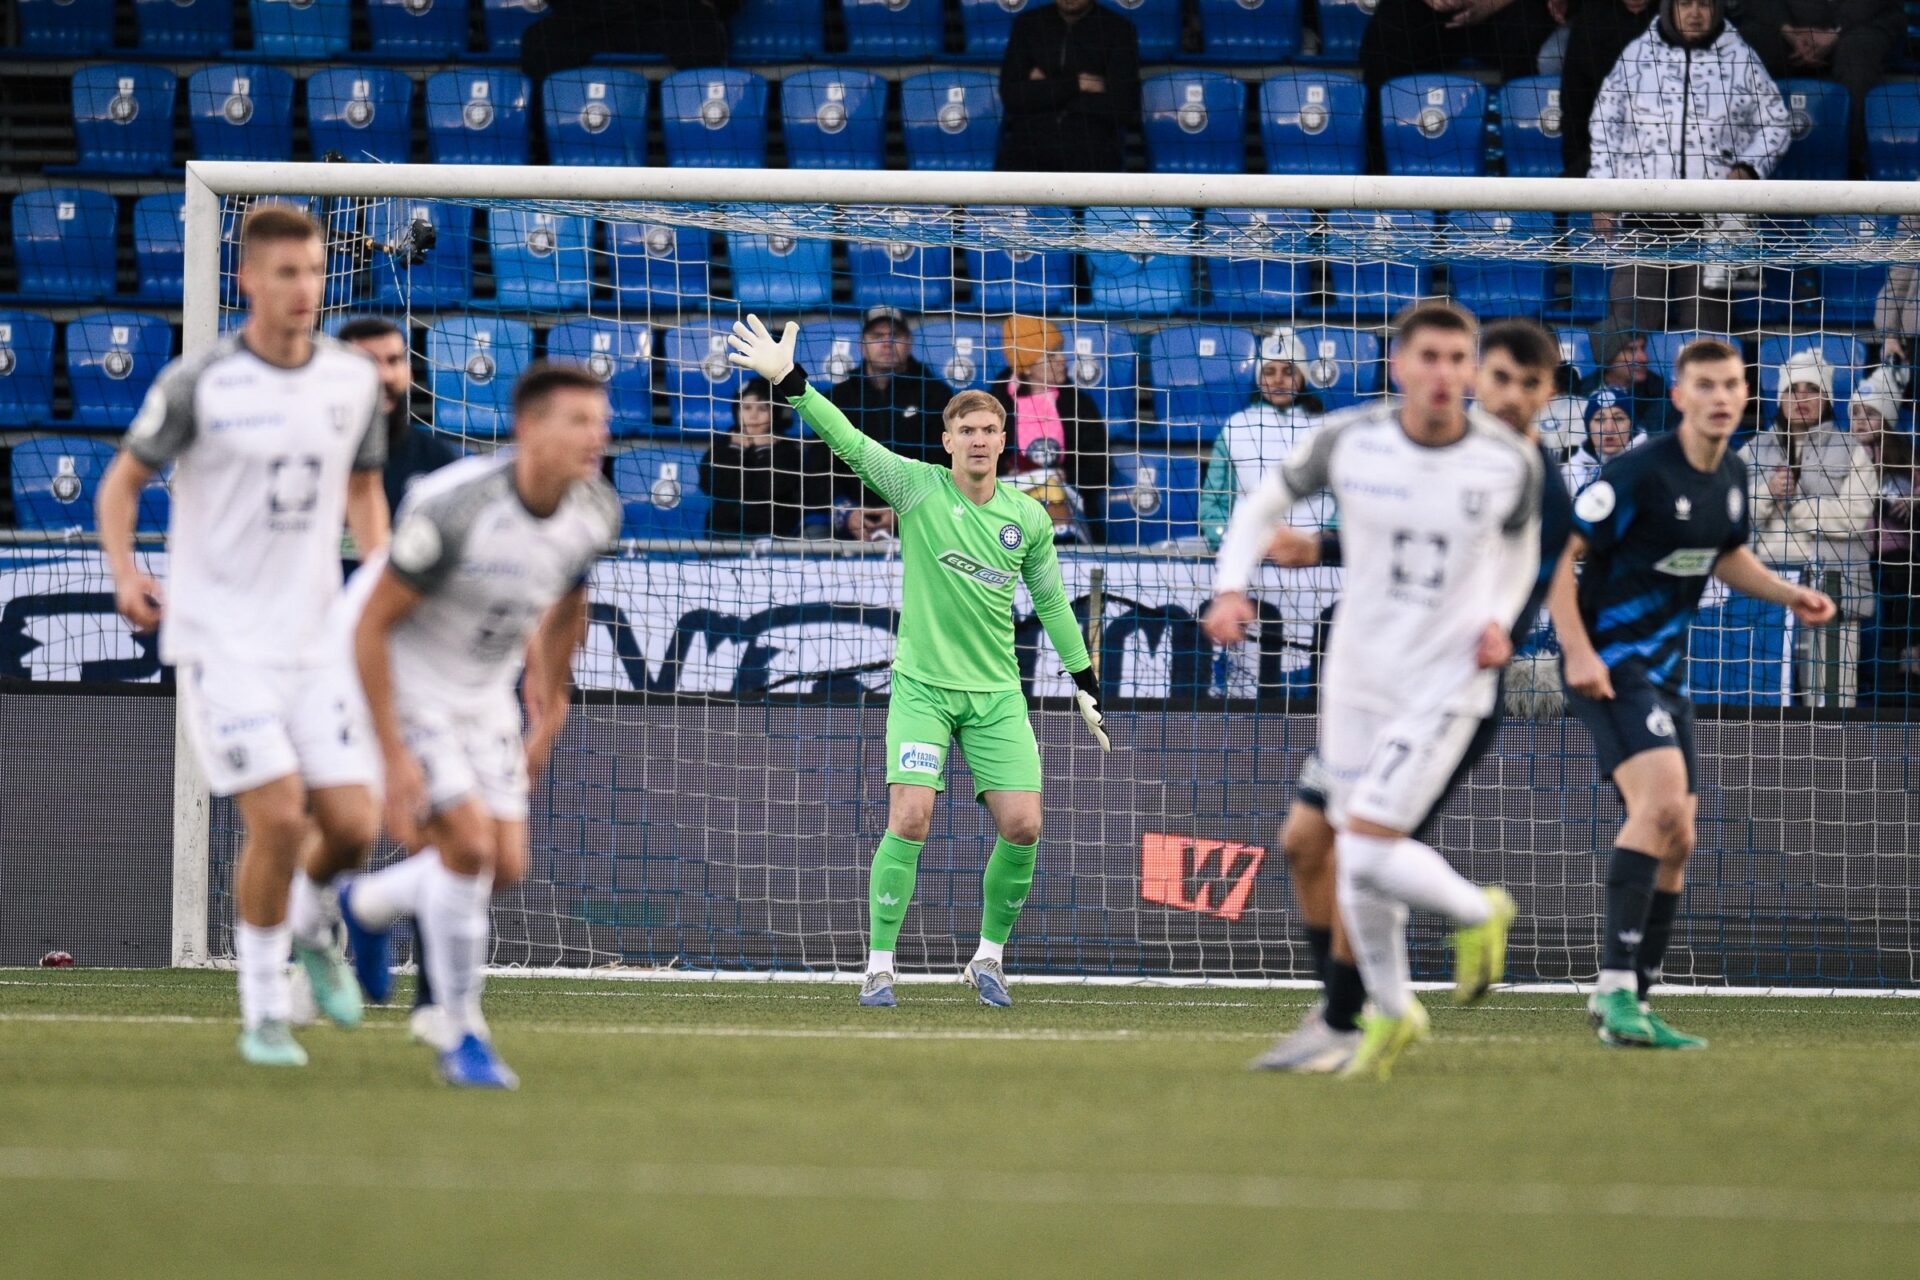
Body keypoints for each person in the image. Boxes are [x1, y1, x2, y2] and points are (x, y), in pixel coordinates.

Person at [725, 314, 1111, 1010]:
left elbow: (1053, 602)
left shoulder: (1027, 518)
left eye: (989, 429)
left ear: (1003, 440)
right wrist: (790, 382)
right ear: (947, 440)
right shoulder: (916, 487)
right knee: (910, 817)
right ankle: (879, 967)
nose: (979, 439)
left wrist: (1084, 679)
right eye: (967, 430)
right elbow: (848, 441)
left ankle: (987, 959)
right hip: (924, 690)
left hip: (996, 694)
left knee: (1024, 826)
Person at [1205, 304, 1542, 1081]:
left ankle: (1465, 921)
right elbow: (1261, 505)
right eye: (1429, 356)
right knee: (1311, 843)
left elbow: (1523, 550)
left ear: (1470, 370)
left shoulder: (1508, 459)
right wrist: (1230, 587)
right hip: (1357, 680)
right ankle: (1375, 1010)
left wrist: (1500, 619)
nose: (1443, 373)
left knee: (1362, 845)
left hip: (1445, 686)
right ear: (1399, 365)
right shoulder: (1349, 438)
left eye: (1457, 359)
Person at [94, 204, 389, 1067]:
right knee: (279, 816)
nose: (304, 289)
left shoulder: (350, 382)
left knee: (353, 824)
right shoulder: (202, 382)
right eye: (286, 273)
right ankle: (262, 1012)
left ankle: (310, 925)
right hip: (221, 640)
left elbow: (364, 491)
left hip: (314, 639)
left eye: (314, 272)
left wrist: (380, 580)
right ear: (247, 280)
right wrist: (125, 573)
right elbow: (121, 483)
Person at [1548, 338, 1835, 1049]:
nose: (1720, 397)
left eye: (1731, 385)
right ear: (1678, 396)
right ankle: (1614, 990)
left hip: (1666, 673)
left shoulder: (1733, 474)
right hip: (1610, 664)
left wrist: (1789, 593)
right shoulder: (1637, 472)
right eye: (1704, 385)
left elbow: (1724, 554)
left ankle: (1636, 1001)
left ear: (1746, 395)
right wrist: (1577, 651)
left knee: (1680, 836)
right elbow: (1560, 554)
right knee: (1661, 808)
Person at [341, 363, 621, 1088]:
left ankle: (367, 904)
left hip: (485, 690)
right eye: (579, 421)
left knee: (505, 865)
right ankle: (461, 1031)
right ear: (528, 428)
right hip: (406, 680)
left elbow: (568, 603)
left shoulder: (596, 509)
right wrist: (393, 756)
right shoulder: (455, 508)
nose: (597, 435)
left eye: (601, 420)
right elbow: (370, 627)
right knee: (466, 848)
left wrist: (549, 701)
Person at [1588, 0, 1790, 335]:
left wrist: (1749, 167)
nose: (1695, 13)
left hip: (1712, 225)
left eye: (1704, 4)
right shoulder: (1636, 55)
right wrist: (1602, 192)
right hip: (1642, 218)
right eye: (1685, 3)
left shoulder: (1741, 58)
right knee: (1626, 334)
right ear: (1669, 8)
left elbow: (1777, 123)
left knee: (1705, 337)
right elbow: (1605, 126)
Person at [1740, 349, 1877, 704]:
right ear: (1779, 398)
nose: (1801, 399)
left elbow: (1855, 515)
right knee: (1763, 699)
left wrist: (1797, 505)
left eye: (1811, 390)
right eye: (1792, 390)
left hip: (1834, 590)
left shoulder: (1852, 450)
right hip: (1766, 595)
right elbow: (1731, 512)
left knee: (1832, 701)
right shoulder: (1753, 449)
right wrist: (1767, 492)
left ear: (1827, 398)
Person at [1360, 0, 1561, 169]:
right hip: (1431, 11)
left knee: (1531, 37)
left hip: (1508, 8)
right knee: (1382, 42)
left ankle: (1525, 170)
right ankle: (1377, 173)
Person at [825, 307, 956, 540]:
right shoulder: (839, 398)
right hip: (849, 521)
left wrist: (906, 510)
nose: (887, 343)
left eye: (895, 335)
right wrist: (846, 514)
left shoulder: (936, 395)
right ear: (862, 345)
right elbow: (820, 465)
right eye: (877, 336)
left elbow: (944, 464)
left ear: (909, 343)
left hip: (922, 519)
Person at [1733, 0, 1904, 167]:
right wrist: (1789, 32)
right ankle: (1744, 162)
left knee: (1856, 58)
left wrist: (1836, 32)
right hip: (1790, 27)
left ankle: (1851, 164)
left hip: (1863, 22)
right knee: (1743, 45)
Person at [1199, 331, 1327, 552]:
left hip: (1312, 555)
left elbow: (1343, 495)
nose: (1278, 380)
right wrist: (1228, 540)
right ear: (1259, 379)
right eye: (1269, 371)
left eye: (1288, 371)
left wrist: (1327, 542)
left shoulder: (1325, 428)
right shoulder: (1235, 427)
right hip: (1251, 553)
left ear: (1302, 377)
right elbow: (1213, 501)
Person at [992, 314, 1111, 544]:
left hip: (1068, 508)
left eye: (1060, 351)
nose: (1062, 360)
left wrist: (1068, 476)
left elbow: (1101, 469)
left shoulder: (1079, 404)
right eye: (1050, 355)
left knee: (1053, 496)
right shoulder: (994, 406)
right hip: (1008, 505)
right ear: (1027, 367)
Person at [996, 0, 1141, 174]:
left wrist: (1045, 87)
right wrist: (1078, 84)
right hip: (1029, 144)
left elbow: (1123, 107)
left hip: (1092, 148)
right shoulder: (1027, 24)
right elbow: (1012, 97)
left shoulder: (1119, 30)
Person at [337, 316, 461, 516]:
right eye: (368, 361)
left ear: (409, 374)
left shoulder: (439, 462)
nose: (385, 376)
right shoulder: (314, 456)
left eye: (393, 361)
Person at [700, 376, 832, 539]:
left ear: (774, 413)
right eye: (747, 408)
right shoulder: (721, 448)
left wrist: (762, 450)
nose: (753, 416)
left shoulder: (788, 451)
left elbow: (769, 489)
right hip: (723, 533)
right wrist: (736, 450)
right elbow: (713, 485)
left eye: (762, 409)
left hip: (773, 535)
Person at [1558, 0, 1661, 177]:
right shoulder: (1591, 20)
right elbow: (1573, 103)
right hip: (1603, 150)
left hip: (1662, 153)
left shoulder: (1674, 24)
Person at [1579, 331, 1675, 434]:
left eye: (1643, 348)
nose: (1643, 358)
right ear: (1608, 358)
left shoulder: (1656, 392)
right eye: (1631, 350)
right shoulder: (1582, 391)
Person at [1563, 385, 1647, 493]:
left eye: (1619, 418)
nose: (1609, 429)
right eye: (1599, 419)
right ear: (1588, 427)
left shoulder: (1650, 467)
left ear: (1632, 425)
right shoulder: (1570, 471)